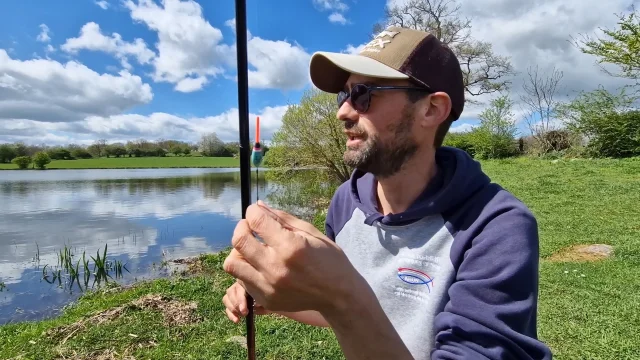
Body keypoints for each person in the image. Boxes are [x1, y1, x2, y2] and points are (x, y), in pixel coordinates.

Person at [222, 26, 553, 360]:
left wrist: (340, 295)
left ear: (431, 110)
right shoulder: (346, 202)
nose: (343, 111)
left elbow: (348, 304)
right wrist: (285, 293)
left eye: (363, 93)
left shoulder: (497, 228)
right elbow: (344, 310)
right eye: (344, 94)